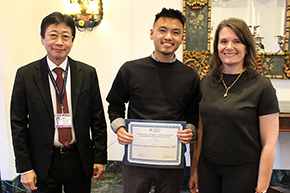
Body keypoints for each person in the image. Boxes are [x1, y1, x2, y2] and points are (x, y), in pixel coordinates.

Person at [10, 12, 107, 193]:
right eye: (53, 35)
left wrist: (100, 157)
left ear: (72, 40)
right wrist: (25, 167)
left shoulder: (87, 73)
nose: (59, 42)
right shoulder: (25, 75)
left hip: (78, 157)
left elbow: (98, 119)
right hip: (42, 160)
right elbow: (18, 125)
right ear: (42, 38)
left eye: (65, 36)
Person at [106, 7, 200, 193]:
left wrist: (190, 130)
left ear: (182, 38)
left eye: (175, 32)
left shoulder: (190, 76)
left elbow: (193, 113)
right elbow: (115, 104)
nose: (168, 37)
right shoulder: (131, 70)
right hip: (137, 157)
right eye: (162, 30)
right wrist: (120, 127)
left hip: (172, 157)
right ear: (152, 33)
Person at [188, 18, 279, 193]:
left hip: (243, 171)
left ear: (247, 48)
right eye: (223, 41)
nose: (229, 47)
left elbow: (270, 143)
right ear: (217, 47)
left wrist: (262, 188)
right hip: (208, 169)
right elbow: (200, 131)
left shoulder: (261, 86)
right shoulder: (206, 82)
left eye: (237, 41)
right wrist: (194, 170)